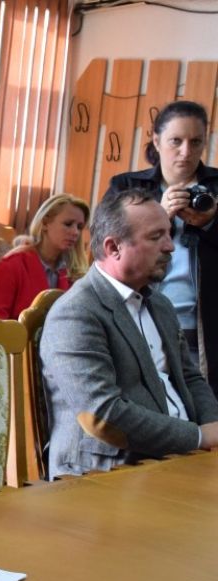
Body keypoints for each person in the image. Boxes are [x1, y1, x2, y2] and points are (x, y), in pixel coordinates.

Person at [41, 188, 218, 479]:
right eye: (156, 237)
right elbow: (102, 414)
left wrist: (213, 429)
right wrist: (198, 437)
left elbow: (190, 378)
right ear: (113, 247)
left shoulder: (160, 304)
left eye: (168, 234)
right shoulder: (76, 313)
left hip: (177, 458)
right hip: (106, 473)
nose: (170, 247)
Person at [104, 100, 218, 392]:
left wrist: (210, 224)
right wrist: (158, 215)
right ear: (157, 140)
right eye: (176, 141)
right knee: (146, 399)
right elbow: (105, 247)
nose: (186, 152)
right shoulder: (126, 186)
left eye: (195, 142)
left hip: (207, 328)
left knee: (203, 404)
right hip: (138, 317)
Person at [0, 193, 90, 320]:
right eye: (68, 224)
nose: (75, 232)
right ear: (45, 223)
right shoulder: (10, 265)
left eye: (79, 227)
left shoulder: (74, 271)